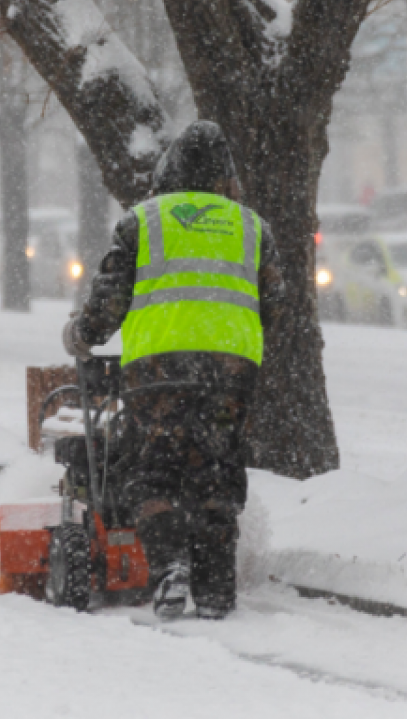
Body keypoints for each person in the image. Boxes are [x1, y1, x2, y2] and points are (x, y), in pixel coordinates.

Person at [61, 121, 285, 620]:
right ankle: (216, 587)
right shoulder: (253, 227)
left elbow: (110, 300)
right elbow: (274, 304)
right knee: (217, 470)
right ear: (226, 176)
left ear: (171, 170)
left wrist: (82, 334)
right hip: (231, 372)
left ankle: (169, 567)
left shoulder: (144, 220)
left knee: (153, 467)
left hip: (158, 371)